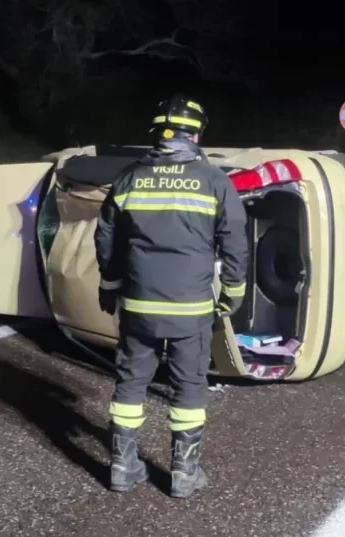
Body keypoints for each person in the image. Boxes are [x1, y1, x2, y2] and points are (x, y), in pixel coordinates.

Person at [93, 93, 249, 498]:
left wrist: (109, 286)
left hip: (140, 305)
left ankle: (122, 468)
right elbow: (234, 240)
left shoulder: (129, 177)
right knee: (189, 386)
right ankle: (183, 474)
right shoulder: (213, 179)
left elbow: (106, 236)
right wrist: (232, 293)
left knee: (130, 382)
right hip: (191, 308)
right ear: (196, 132)